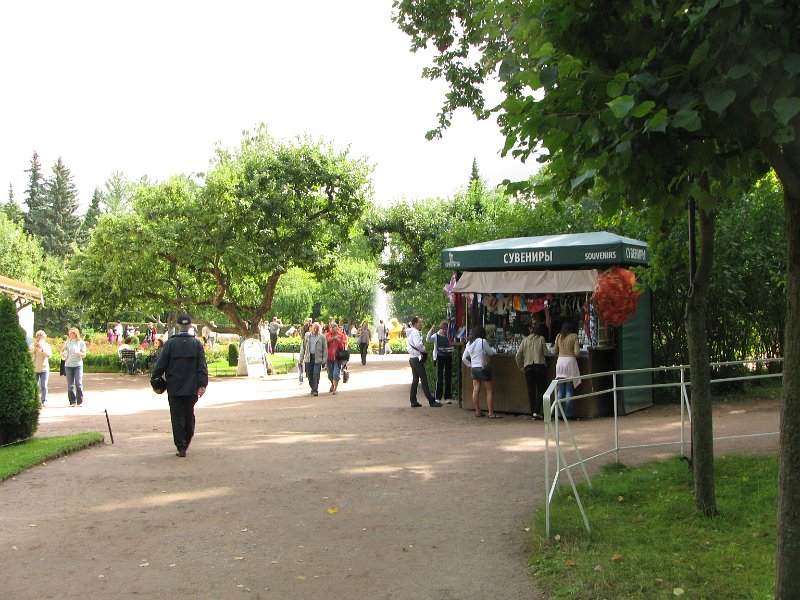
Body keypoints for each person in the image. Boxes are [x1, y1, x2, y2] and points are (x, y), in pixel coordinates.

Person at [150, 314, 208, 457]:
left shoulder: (170, 344)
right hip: (191, 387)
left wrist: (155, 379)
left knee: (177, 416)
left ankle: (181, 445)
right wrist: (202, 385)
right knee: (189, 414)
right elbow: (202, 367)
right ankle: (187, 440)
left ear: (177, 327)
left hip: (174, 386)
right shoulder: (196, 344)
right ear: (189, 326)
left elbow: (161, 364)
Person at [405, 316, 441, 408]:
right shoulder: (416, 333)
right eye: (420, 322)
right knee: (424, 380)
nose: (421, 324)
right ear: (415, 324)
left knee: (415, 380)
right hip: (417, 358)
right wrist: (423, 349)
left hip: (412, 358)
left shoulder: (410, 333)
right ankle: (431, 401)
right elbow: (418, 344)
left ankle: (413, 400)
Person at [462, 326, 498, 418]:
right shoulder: (483, 341)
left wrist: (471, 365)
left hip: (474, 368)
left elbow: (464, 358)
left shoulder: (469, 343)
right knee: (489, 391)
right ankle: (491, 413)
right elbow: (491, 353)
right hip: (483, 368)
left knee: (476, 390)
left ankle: (478, 411)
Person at [516, 322, 548, 419]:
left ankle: (532, 411)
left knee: (531, 390)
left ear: (529, 330)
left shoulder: (524, 340)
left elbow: (518, 355)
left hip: (528, 367)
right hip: (539, 366)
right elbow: (546, 353)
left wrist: (522, 367)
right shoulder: (541, 339)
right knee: (540, 389)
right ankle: (537, 411)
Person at [553, 321, 581, 419]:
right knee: (569, 389)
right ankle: (568, 414)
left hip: (560, 362)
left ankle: (559, 414)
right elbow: (577, 352)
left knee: (560, 391)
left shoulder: (559, 336)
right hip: (570, 363)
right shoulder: (574, 336)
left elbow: (554, 351)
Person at [426, 320, 454, 403]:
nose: (445, 330)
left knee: (448, 377)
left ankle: (448, 397)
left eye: (446, 329)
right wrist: (431, 330)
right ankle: (438, 397)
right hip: (439, 357)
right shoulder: (436, 335)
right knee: (439, 377)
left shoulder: (449, 335)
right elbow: (428, 339)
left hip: (448, 356)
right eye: (444, 328)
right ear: (441, 328)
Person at [61, 327, 87, 407]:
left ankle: (80, 401)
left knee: (78, 383)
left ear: (76, 334)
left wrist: (78, 352)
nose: (70, 335)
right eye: (69, 333)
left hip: (78, 365)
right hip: (68, 365)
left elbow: (84, 355)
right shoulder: (68, 342)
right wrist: (63, 354)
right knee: (70, 384)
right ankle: (72, 401)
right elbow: (62, 350)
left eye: (72, 333)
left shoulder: (81, 342)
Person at [300, 322, 327, 396]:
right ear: (311, 328)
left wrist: (324, 360)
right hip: (309, 358)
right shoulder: (307, 336)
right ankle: (312, 387)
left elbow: (325, 349)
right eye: (314, 328)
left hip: (317, 358)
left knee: (316, 374)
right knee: (309, 374)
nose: (315, 330)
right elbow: (303, 347)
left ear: (319, 329)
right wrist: (301, 358)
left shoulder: (322, 337)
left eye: (317, 329)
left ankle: (315, 389)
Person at [325, 322, 348, 395]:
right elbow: (324, 344)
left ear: (336, 327)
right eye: (330, 327)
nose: (331, 328)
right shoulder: (327, 335)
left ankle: (335, 388)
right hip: (328, 357)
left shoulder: (341, 335)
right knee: (330, 374)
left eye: (333, 327)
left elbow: (343, 346)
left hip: (338, 358)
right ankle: (332, 384)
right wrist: (332, 339)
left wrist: (339, 341)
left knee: (336, 373)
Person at [30, 330, 52, 406]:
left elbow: (49, 356)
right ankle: (34, 400)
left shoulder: (47, 345)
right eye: (38, 336)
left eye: (41, 336)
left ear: (44, 337)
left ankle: (44, 400)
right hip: (35, 368)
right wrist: (35, 348)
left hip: (44, 368)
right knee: (34, 385)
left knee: (44, 385)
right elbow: (29, 354)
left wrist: (42, 349)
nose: (40, 337)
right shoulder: (33, 345)